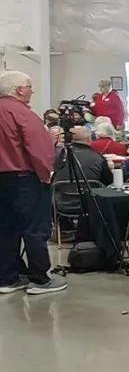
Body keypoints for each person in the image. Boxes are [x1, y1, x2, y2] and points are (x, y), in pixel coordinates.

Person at [0, 71, 62, 295]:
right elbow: (38, 149)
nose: (31, 91)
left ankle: (8, 278)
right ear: (20, 90)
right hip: (24, 178)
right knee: (35, 228)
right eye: (29, 87)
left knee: (5, 229)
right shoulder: (22, 113)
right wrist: (45, 174)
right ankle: (40, 279)